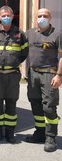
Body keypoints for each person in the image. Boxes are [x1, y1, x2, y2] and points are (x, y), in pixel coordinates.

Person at [0, 6, 28, 143]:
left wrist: (13, 62)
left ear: (12, 16)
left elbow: (24, 53)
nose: (6, 17)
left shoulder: (20, 34)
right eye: (3, 15)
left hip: (12, 74)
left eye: (8, 15)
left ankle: (10, 133)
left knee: (11, 104)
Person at [25, 8, 62, 152]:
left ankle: (51, 137)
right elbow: (15, 37)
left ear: (50, 18)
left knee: (49, 106)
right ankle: (39, 133)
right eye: (39, 16)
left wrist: (59, 75)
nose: (42, 18)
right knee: (35, 104)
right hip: (33, 74)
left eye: (45, 16)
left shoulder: (57, 34)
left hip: (49, 74)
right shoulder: (30, 33)